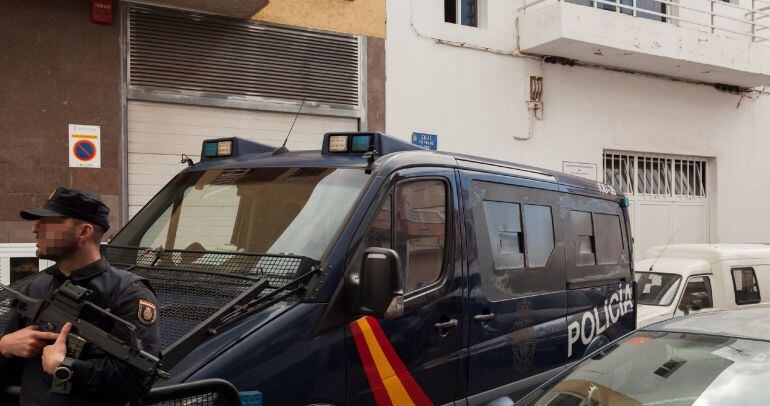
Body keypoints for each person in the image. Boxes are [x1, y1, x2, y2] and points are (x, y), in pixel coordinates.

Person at [0, 187, 161, 405]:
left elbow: (138, 379)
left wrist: (69, 367)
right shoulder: (36, 287)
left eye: (48, 222)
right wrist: (5, 347)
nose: (36, 229)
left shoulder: (128, 292)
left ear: (84, 232)